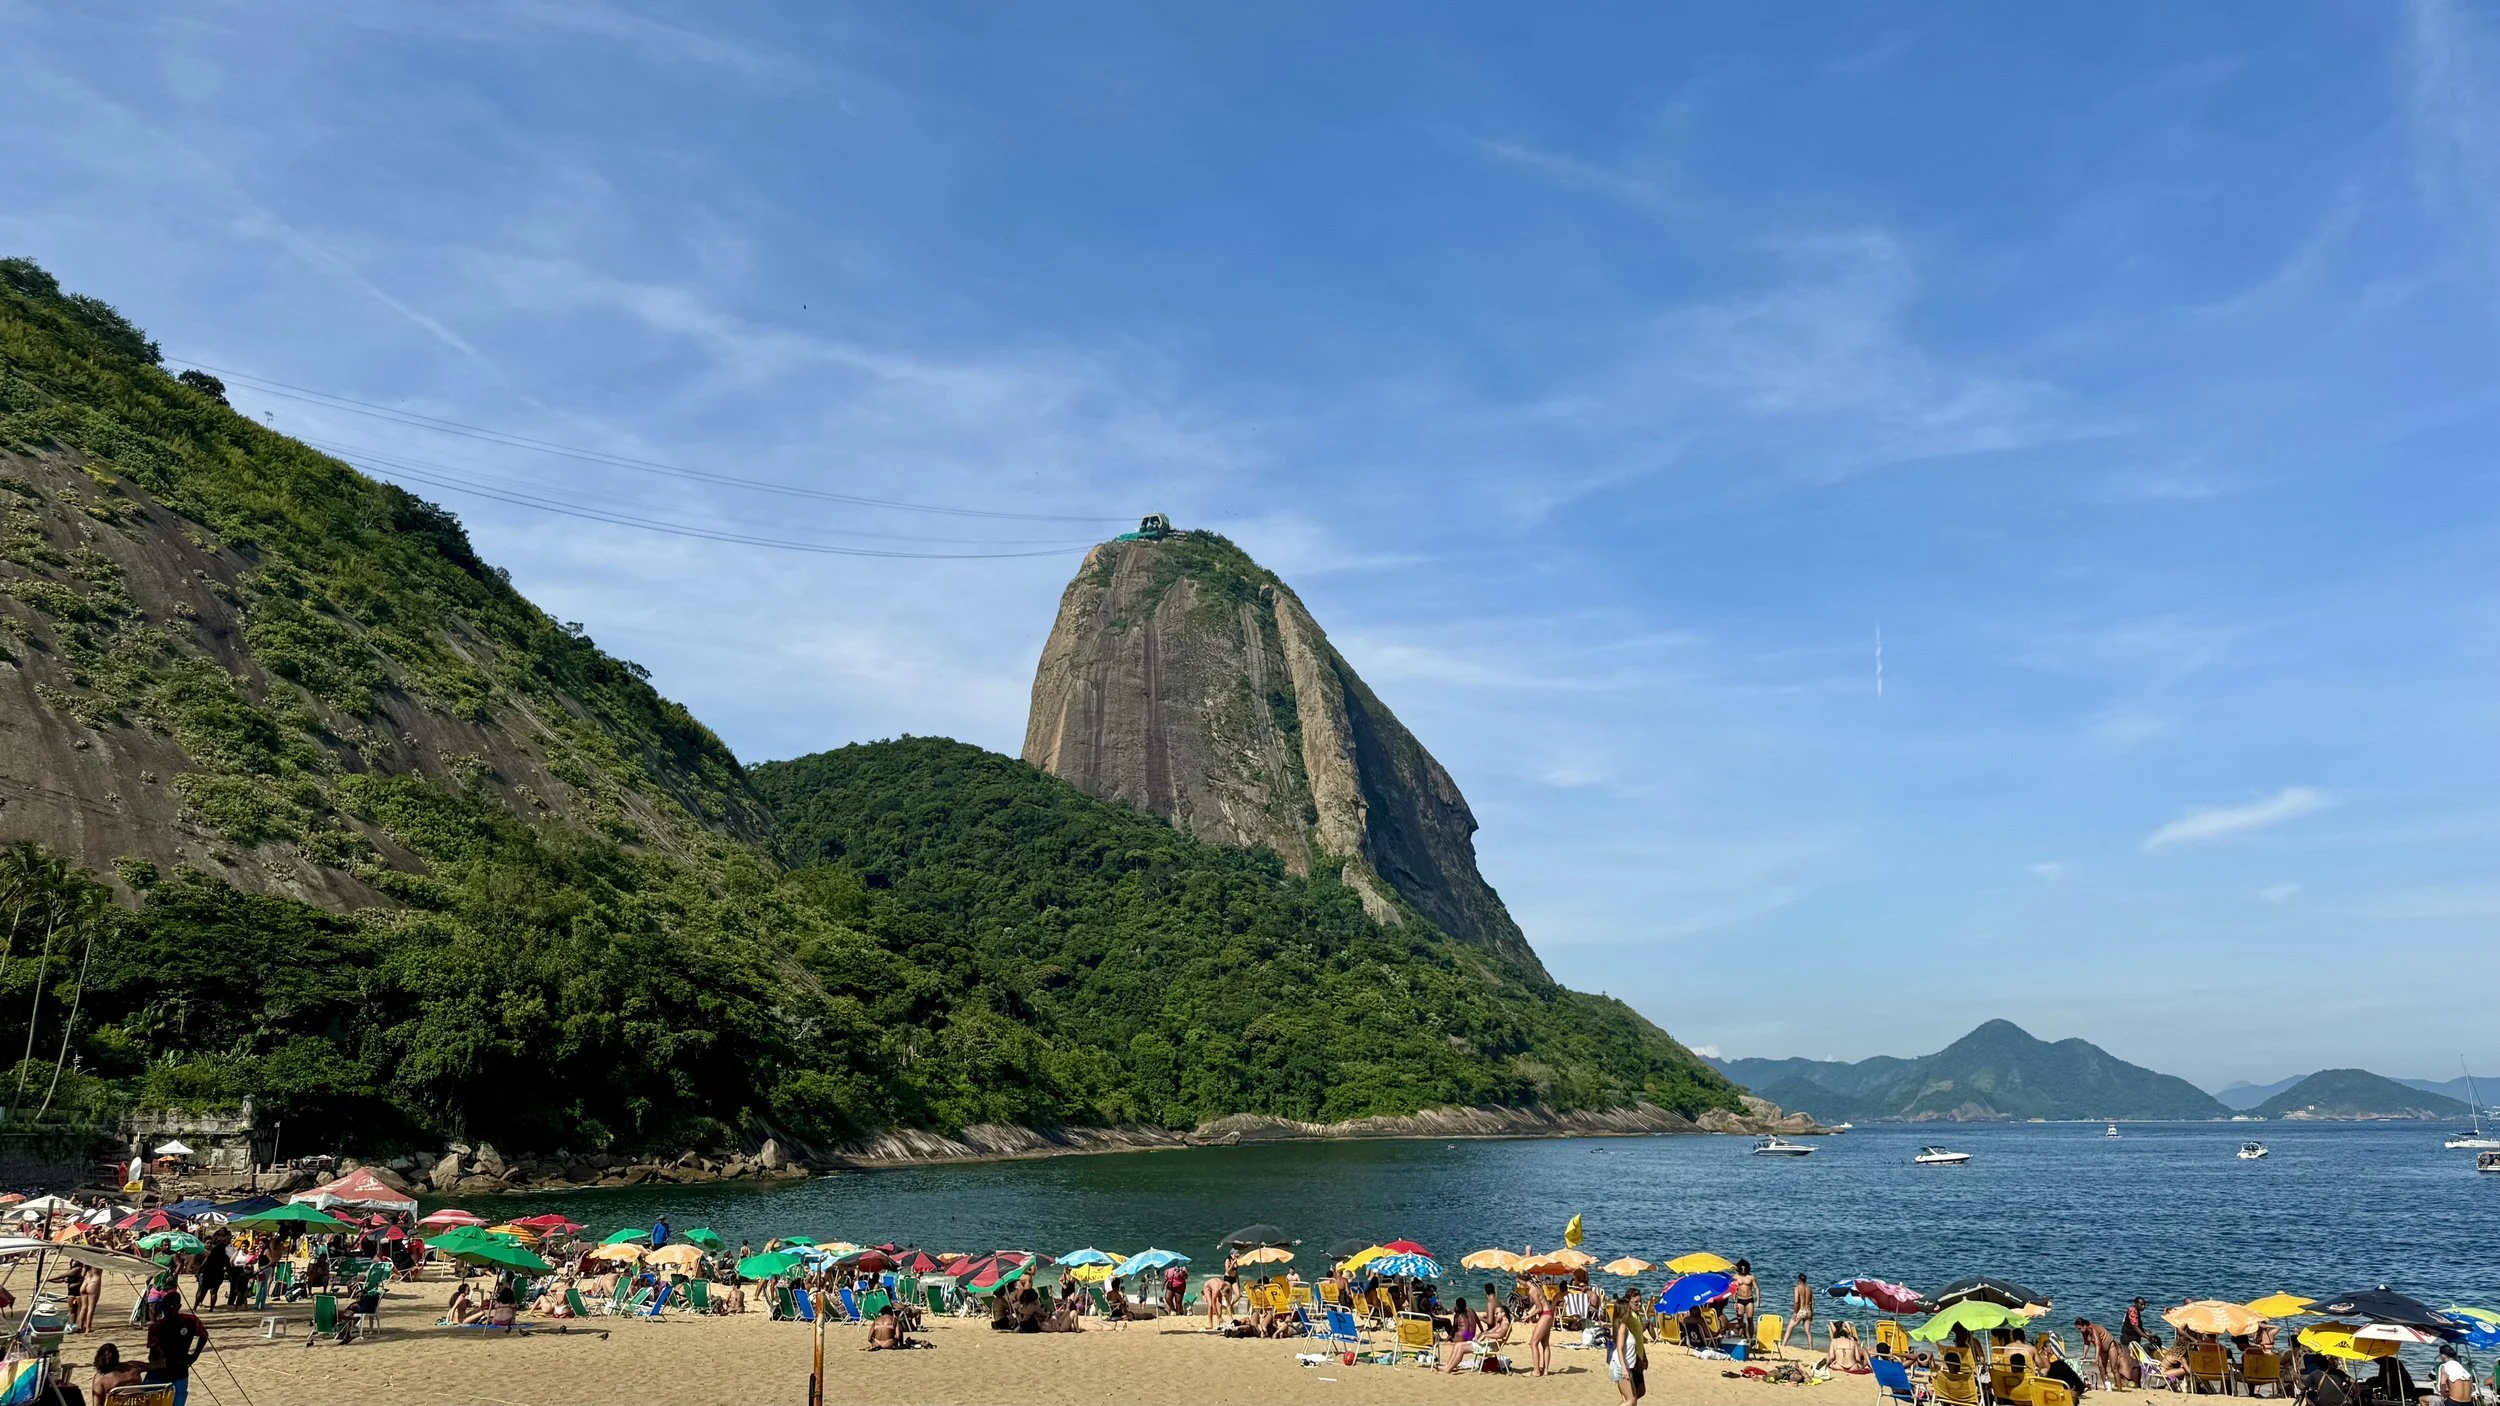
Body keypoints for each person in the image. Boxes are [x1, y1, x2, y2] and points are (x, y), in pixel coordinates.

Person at [142, 1291, 207, 1406]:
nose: (167, 1310)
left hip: (174, 1371)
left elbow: (204, 1336)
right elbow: (153, 1352)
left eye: (171, 1307)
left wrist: (194, 1356)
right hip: (166, 1371)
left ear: (179, 1307)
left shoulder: (190, 1322)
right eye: (165, 1308)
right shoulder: (157, 1326)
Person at [1610, 1292, 1650, 1404]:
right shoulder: (1623, 1325)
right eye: (1635, 1302)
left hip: (1630, 1364)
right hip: (1622, 1366)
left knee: (1633, 1397)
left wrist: (1642, 1357)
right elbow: (1619, 1348)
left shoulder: (1631, 1320)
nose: (1639, 1304)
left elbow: (1638, 1340)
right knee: (1631, 1399)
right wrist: (1624, 1368)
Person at [2079, 1318, 2130, 1391]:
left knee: (2114, 1368)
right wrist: (2084, 1355)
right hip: (2102, 1350)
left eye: (2080, 1328)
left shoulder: (2093, 1329)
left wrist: (2096, 1358)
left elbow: (2098, 1344)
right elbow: (2086, 1343)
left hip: (2111, 1346)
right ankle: (2107, 1388)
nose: (2080, 1330)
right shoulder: (2084, 1332)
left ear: (2085, 1326)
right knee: (2101, 1367)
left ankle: (2119, 1389)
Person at [1439, 1296, 1480, 1374]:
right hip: (1471, 1336)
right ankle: (1448, 1366)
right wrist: (1482, 1331)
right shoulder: (1471, 1310)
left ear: (1457, 1306)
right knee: (1459, 1335)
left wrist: (1447, 1339)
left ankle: (1448, 1365)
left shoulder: (1458, 1314)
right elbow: (1478, 1322)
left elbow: (1453, 1329)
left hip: (1462, 1335)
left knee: (1456, 1334)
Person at [1528, 1284, 1557, 1377]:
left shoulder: (1532, 1291)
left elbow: (1539, 1308)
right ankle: (1545, 1370)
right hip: (1549, 1314)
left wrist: (1529, 1316)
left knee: (1533, 1343)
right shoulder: (1538, 1289)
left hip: (1545, 1315)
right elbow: (1537, 1306)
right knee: (1545, 1344)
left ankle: (1536, 1371)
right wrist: (1528, 1314)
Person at [1784, 1273, 1814, 1351]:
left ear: (1799, 1280)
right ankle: (1811, 1349)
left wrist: (1795, 1312)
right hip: (1808, 1310)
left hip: (1801, 1310)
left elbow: (1796, 1301)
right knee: (1808, 1332)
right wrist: (1811, 1313)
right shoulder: (1810, 1289)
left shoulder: (1797, 1288)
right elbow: (1812, 1302)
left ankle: (1783, 1345)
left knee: (1789, 1327)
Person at [1731, 1259, 1759, 1337]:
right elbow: (1733, 1289)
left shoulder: (1751, 1277)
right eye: (1742, 1268)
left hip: (1749, 1300)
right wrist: (1734, 1302)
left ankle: (1751, 1337)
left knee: (1750, 1319)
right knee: (1740, 1320)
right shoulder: (1735, 1277)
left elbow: (1756, 1288)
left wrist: (1758, 1301)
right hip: (1739, 1300)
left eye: (1745, 1268)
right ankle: (1744, 1336)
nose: (1743, 1270)